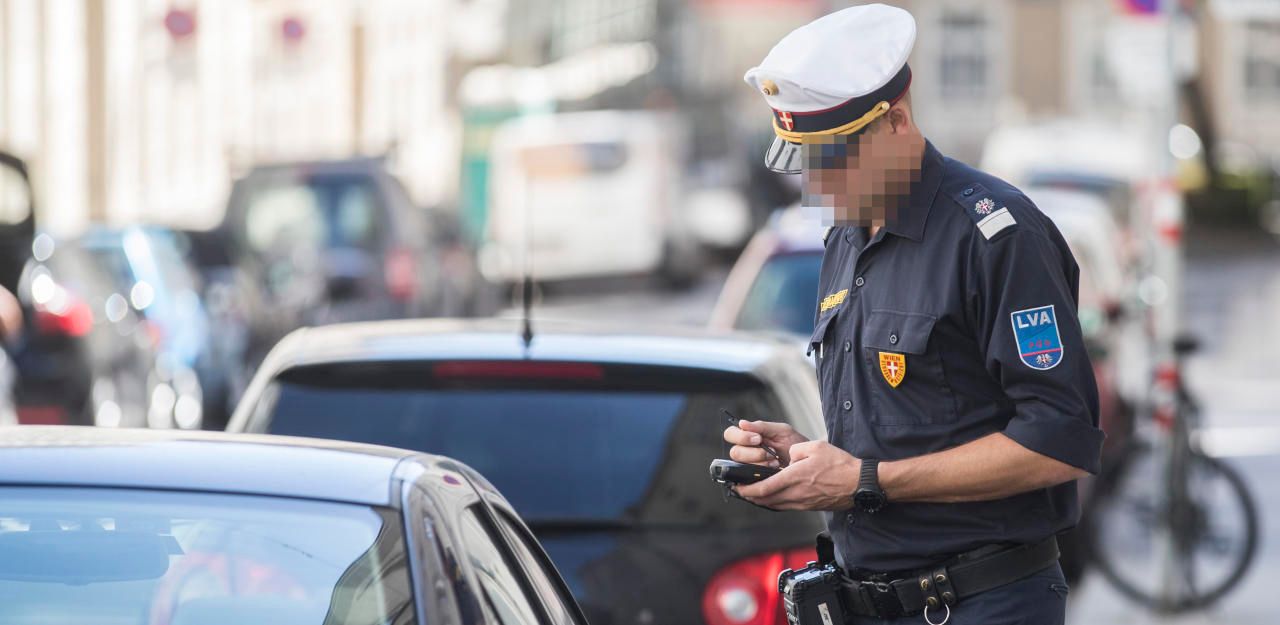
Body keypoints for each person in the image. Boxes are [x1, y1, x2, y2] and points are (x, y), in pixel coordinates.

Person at [723, 5, 1104, 625]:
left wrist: (865, 479)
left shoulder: (996, 236)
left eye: (832, 157)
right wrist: (809, 459)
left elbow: (1060, 440)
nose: (816, 182)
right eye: (804, 158)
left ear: (896, 122)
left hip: (983, 602)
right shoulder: (845, 240)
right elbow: (900, 429)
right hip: (866, 600)